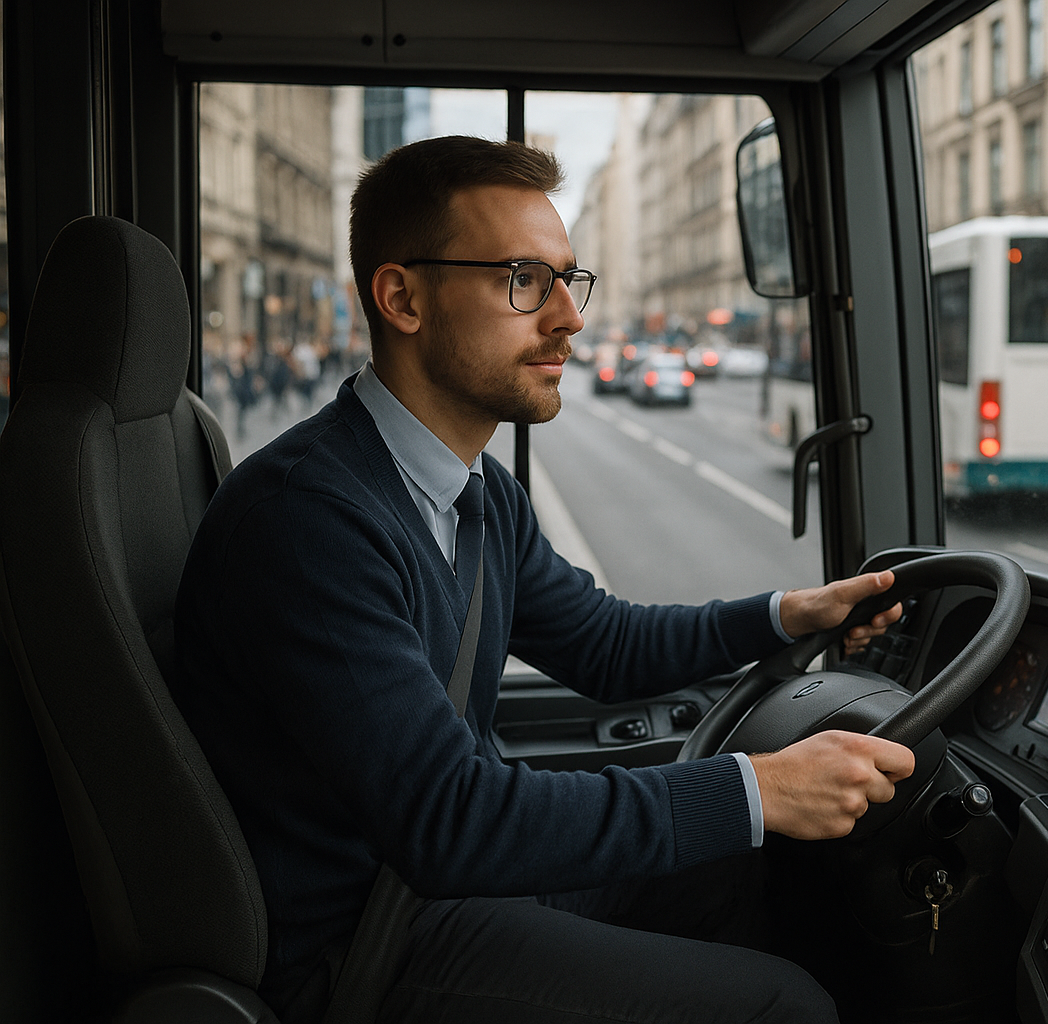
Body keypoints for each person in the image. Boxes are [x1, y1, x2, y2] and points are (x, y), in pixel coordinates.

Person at [172, 136, 913, 1024]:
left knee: (735, 869)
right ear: (402, 297)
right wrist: (759, 788)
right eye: (525, 279)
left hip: (436, 889)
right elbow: (450, 818)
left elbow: (603, 644)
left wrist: (790, 615)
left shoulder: (476, 491)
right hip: (359, 948)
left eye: (570, 278)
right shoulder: (307, 522)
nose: (569, 317)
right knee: (787, 1007)